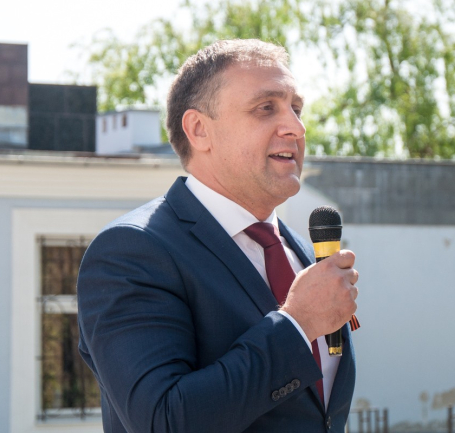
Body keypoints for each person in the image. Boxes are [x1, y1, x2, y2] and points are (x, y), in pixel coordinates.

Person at [77, 39, 359, 433]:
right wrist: (297, 324)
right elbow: (163, 421)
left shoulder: (300, 251)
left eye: (296, 108)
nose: (296, 127)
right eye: (266, 108)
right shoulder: (131, 251)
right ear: (199, 130)